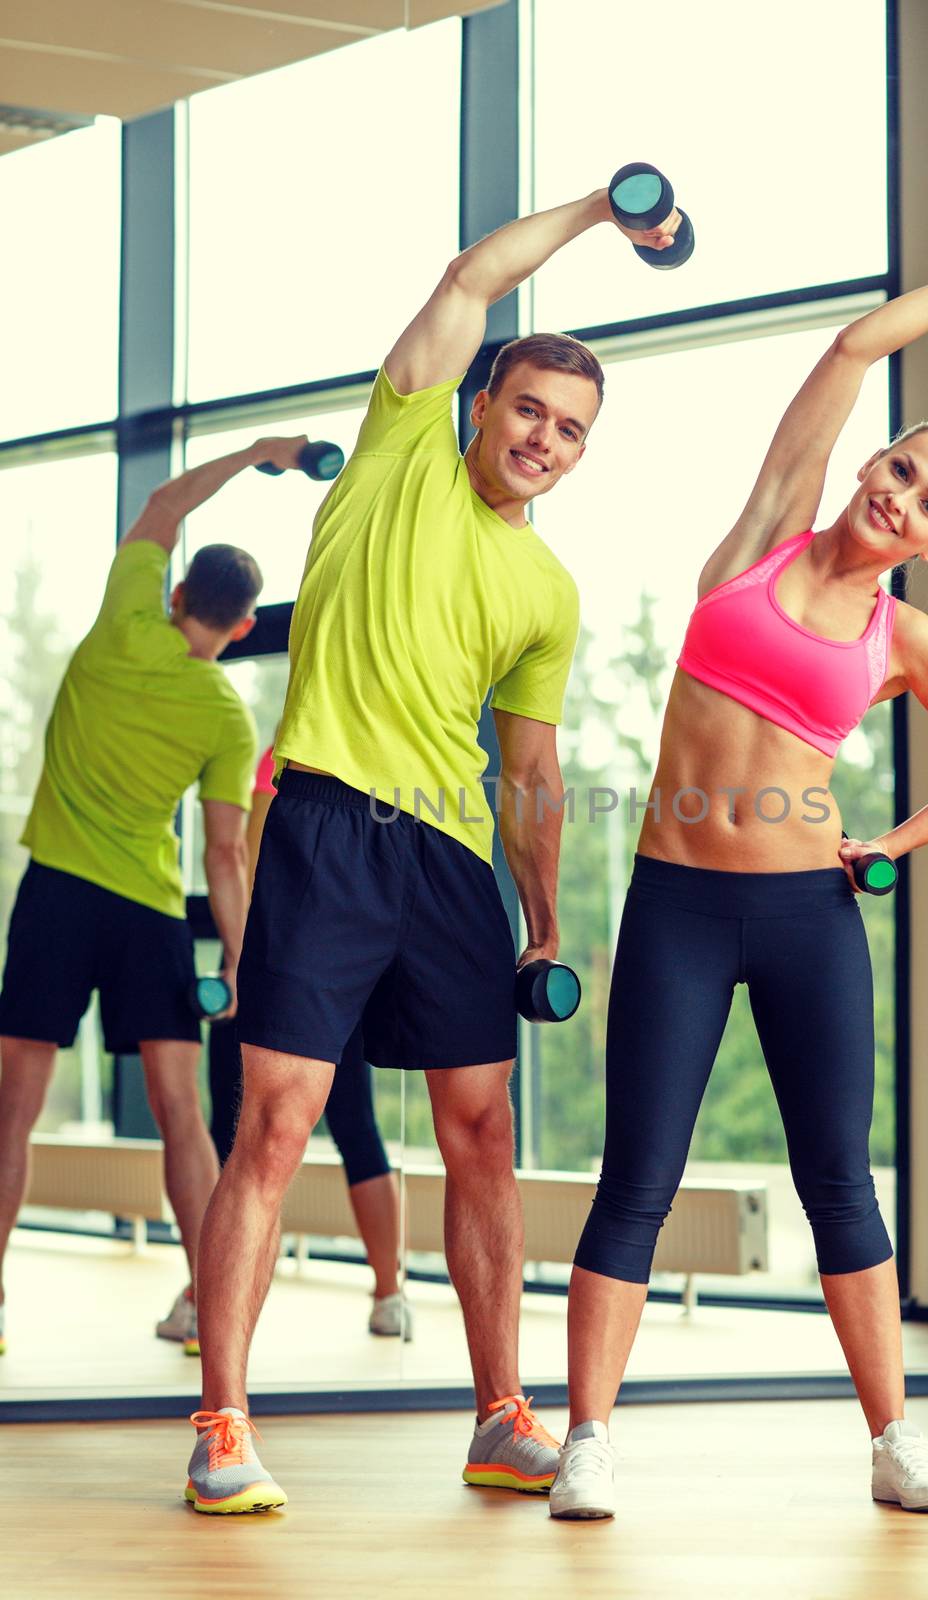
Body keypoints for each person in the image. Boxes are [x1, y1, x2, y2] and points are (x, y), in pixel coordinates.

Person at [183, 181, 686, 1515]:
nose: (543, 438)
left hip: (452, 868)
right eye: (526, 408)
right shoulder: (401, 446)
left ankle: (500, 1416)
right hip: (328, 830)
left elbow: (529, 769)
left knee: (480, 1128)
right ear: (475, 403)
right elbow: (469, 279)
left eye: (569, 431)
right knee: (275, 1122)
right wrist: (599, 214)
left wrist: (544, 920)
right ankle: (223, 1421)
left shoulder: (548, 590)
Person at [549, 258, 928, 1520]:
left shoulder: (906, 641)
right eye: (901, 470)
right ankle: (588, 1441)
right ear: (871, 465)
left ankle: (894, 1440)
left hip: (803, 920)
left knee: (839, 1177)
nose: (902, 500)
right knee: (637, 1179)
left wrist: (893, 844)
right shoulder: (766, 529)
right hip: (673, 902)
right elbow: (847, 348)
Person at [0, 436, 311, 1359]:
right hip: (147, 914)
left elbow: (166, 505)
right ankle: (204, 1303)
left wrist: (261, 453)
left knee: (14, 1107)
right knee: (181, 1112)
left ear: (176, 593)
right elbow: (224, 854)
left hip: (57, 896)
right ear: (245, 626)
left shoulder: (122, 622)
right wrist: (240, 960)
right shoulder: (226, 713)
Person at [206, 746, 412, 1340]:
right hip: (347, 963)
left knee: (242, 1142)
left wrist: (237, 962)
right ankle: (389, 1292)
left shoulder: (284, 755)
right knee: (355, 1129)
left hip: (279, 966)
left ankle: (204, 1297)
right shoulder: (364, 749)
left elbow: (245, 857)